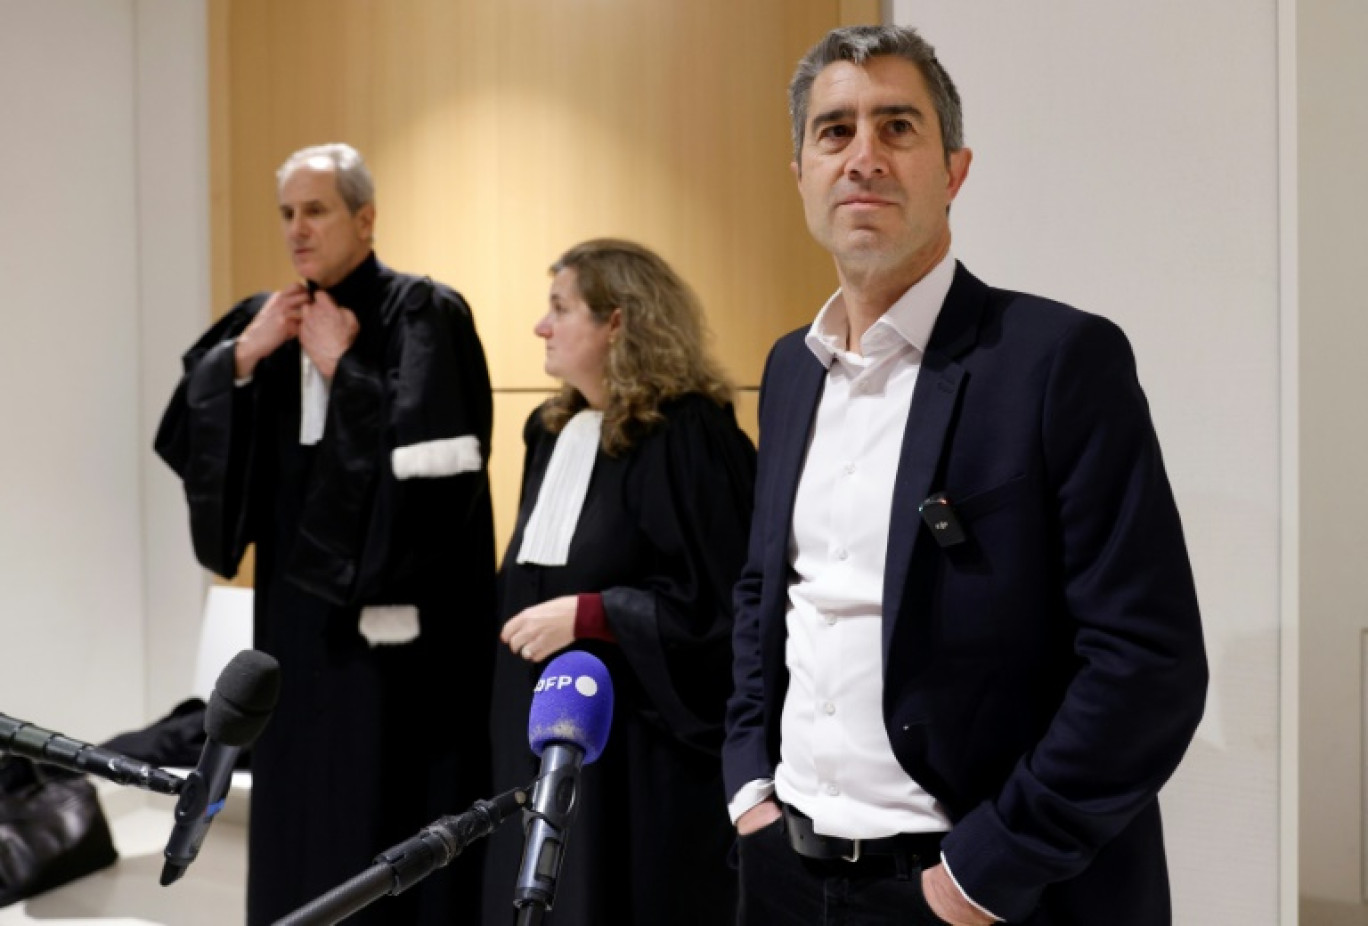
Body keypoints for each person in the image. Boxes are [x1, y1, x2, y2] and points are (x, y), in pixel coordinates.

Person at [722, 25, 1208, 926]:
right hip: (787, 869)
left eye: (897, 127)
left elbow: (1149, 664)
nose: (863, 155)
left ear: (954, 170)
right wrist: (749, 782)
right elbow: (766, 591)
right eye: (834, 131)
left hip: (971, 888)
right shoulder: (791, 369)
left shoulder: (1058, 361)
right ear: (800, 173)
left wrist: (980, 873)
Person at [154, 143, 496, 925]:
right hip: (293, 624)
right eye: (286, 214)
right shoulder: (265, 320)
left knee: (381, 814)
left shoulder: (423, 313)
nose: (297, 230)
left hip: (389, 639)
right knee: (298, 815)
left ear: (365, 217)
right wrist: (242, 359)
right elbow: (188, 432)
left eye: (316, 210)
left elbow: (440, 479)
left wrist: (348, 368)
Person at [480, 239, 755, 925]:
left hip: (638, 756)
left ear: (618, 322)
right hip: (538, 731)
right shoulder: (550, 431)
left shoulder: (689, 435)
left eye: (560, 309)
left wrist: (595, 615)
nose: (541, 327)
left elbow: (725, 607)